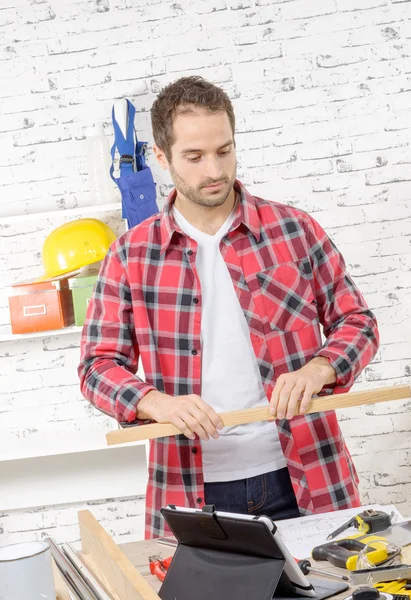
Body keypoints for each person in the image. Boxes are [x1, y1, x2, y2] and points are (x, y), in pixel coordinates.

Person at [78, 76, 379, 539]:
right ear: (161, 157)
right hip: (192, 492)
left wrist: (318, 369)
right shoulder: (130, 256)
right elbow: (98, 367)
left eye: (224, 150)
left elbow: (357, 322)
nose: (213, 169)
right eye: (194, 157)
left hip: (306, 474)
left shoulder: (294, 230)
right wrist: (156, 403)